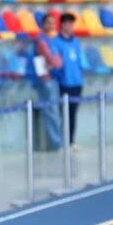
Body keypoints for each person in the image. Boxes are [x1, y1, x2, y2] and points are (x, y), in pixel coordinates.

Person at [30, 15, 63, 151]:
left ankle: (56, 141)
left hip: (53, 78)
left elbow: (60, 59)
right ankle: (55, 143)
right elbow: (53, 60)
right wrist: (56, 61)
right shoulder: (41, 40)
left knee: (54, 111)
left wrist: (57, 62)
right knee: (51, 112)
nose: (51, 25)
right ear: (42, 24)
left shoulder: (53, 40)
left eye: (53, 23)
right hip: (45, 80)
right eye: (48, 23)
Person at [51, 12, 84, 144]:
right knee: (63, 113)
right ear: (62, 25)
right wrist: (59, 76)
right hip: (64, 83)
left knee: (73, 114)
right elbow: (54, 63)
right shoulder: (55, 42)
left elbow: (79, 61)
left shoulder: (76, 42)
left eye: (72, 24)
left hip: (77, 82)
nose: (71, 27)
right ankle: (62, 140)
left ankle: (71, 141)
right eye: (68, 24)